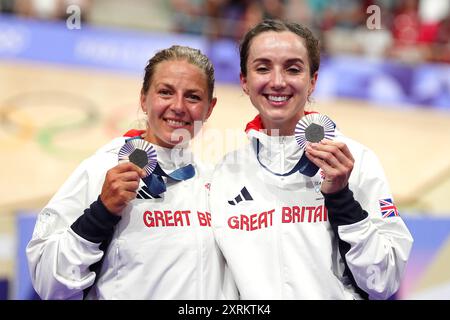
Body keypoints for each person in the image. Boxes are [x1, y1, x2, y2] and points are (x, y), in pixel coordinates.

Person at [208, 19, 413, 300]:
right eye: (263, 67)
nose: (278, 82)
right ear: (244, 81)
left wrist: (342, 199)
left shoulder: (356, 161)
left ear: (313, 80)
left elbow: (384, 280)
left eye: (293, 69)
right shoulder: (225, 175)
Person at [26, 45, 235, 299]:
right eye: (165, 92)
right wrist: (100, 213)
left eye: (193, 96)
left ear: (209, 108)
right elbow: (48, 282)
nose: (178, 106)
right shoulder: (102, 169)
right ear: (143, 98)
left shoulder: (214, 183)